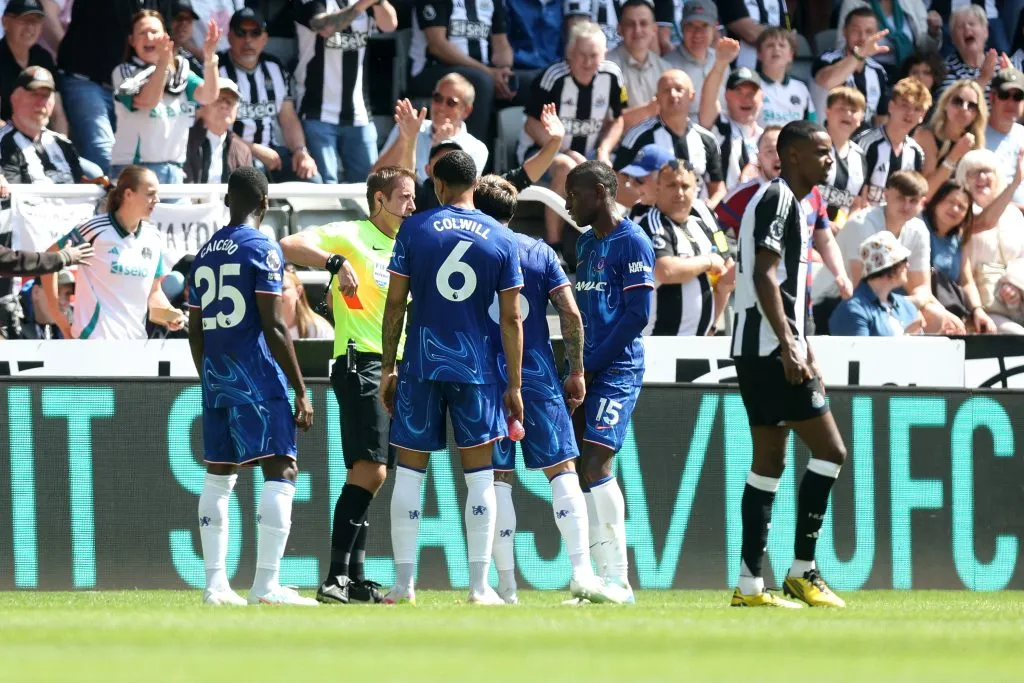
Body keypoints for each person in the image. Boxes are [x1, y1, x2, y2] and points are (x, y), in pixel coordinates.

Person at [379, 150, 525, 606]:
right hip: (476, 368)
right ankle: (479, 587)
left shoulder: (414, 228)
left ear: (438, 185)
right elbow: (511, 319)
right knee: (480, 476)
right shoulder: (501, 237)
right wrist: (515, 384)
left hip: (421, 364)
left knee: (409, 472)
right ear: (475, 184)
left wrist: (388, 366)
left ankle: (403, 585)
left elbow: (395, 304)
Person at [473, 174, 625, 605]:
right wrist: (576, 370)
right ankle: (582, 572)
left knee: (497, 479)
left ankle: (506, 588)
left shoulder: (470, 251)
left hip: (486, 377)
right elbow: (570, 313)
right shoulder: (538, 251)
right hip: (537, 374)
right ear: (513, 211)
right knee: (562, 471)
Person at [279, 166, 417, 605]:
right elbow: (288, 243)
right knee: (371, 469)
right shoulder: (352, 234)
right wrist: (334, 263)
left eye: (413, 197)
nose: (412, 205)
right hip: (361, 362)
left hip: (395, 367)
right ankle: (335, 577)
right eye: (404, 197)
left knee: (371, 472)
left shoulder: (407, 246)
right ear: (379, 199)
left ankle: (353, 579)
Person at [729, 120, 848, 609]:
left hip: (756, 348)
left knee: (769, 462)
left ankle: (749, 585)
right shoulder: (779, 198)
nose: (829, 159)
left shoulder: (791, 202)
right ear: (792, 156)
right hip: (769, 349)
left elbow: (778, 283)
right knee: (831, 451)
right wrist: (788, 343)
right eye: (820, 152)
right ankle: (802, 570)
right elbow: (764, 273)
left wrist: (801, 339)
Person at [186, 167, 318, 607]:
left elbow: (195, 330)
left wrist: (209, 375)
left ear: (228, 201)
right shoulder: (262, 248)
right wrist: (301, 389)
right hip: (257, 374)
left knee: (218, 477)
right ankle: (266, 584)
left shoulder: (204, 254)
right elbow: (275, 325)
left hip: (216, 376)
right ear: (265, 202)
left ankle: (215, 586)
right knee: (281, 469)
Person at [565, 160, 655, 603]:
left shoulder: (633, 241)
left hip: (616, 369)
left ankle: (620, 579)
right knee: (584, 469)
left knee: (597, 464)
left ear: (600, 192)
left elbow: (638, 315)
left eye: (574, 195)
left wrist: (592, 363)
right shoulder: (584, 243)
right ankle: (597, 582)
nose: (568, 205)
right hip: (587, 368)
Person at [39, 165, 183, 340]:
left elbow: (154, 294)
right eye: (150, 194)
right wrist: (57, 314)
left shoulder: (153, 237)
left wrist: (171, 316)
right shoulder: (95, 230)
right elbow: (49, 259)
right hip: (92, 342)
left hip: (134, 344)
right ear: (128, 194)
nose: (157, 200)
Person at [812, 170, 965, 334]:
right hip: (832, 302)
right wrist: (901, 311)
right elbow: (860, 291)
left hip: (879, 301)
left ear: (922, 202)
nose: (906, 206)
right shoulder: (861, 225)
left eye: (913, 200)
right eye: (901, 198)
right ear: (886, 194)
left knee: (934, 316)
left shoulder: (919, 229)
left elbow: (922, 289)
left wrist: (915, 309)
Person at [518, 20, 626, 246]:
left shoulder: (613, 76)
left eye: (594, 55)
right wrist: (564, 150)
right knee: (567, 167)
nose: (587, 62)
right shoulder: (553, 78)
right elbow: (531, 125)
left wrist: (604, 150)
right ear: (569, 54)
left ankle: (608, 244)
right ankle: (554, 245)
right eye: (581, 55)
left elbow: (618, 120)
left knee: (616, 170)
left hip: (589, 153)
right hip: (542, 152)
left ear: (604, 54)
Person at [111, 10, 222, 183]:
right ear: (131, 40)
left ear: (165, 37)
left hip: (175, 170)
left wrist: (210, 58)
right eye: (142, 32)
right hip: (136, 170)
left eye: (154, 32)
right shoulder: (124, 73)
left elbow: (208, 96)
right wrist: (163, 63)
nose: (149, 37)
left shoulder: (180, 71)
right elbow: (148, 101)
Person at [293, 0, 397, 184]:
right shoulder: (313, 2)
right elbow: (325, 27)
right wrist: (363, 4)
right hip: (316, 112)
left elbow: (390, 25)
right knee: (326, 189)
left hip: (359, 115)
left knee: (369, 186)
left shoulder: (366, 4)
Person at [218, 7, 319, 182]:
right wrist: (254, 150)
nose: (248, 40)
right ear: (230, 37)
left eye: (255, 33)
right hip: (229, 154)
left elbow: (288, 118)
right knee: (253, 181)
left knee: (312, 178)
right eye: (241, 33)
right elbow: (213, 126)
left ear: (264, 39)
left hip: (273, 153)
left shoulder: (275, 68)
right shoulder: (217, 70)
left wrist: (300, 151)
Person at [636, 159, 735, 336]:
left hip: (698, 343)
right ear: (658, 190)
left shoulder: (704, 222)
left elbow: (724, 276)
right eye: (672, 186)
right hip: (660, 342)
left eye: (685, 186)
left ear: (695, 190)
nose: (679, 192)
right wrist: (708, 261)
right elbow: (665, 270)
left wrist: (712, 326)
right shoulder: (650, 224)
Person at [407, 0, 514, 144]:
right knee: (481, 82)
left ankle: (525, 151)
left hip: (482, 73)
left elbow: (501, 44)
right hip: (432, 70)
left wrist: (504, 73)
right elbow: (437, 46)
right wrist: (489, 72)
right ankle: (470, 154)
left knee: (523, 84)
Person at [615, 69, 725, 207]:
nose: (673, 94)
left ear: (691, 96)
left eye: (679, 89)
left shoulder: (707, 139)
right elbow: (617, 184)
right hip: (652, 215)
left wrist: (707, 208)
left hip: (695, 216)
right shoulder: (638, 136)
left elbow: (718, 187)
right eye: (666, 90)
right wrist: (646, 206)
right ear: (657, 97)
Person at [376, 73, 489, 185]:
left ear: (466, 111)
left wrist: (444, 148)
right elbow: (376, 176)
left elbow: (457, 193)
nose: (441, 107)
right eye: (437, 98)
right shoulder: (409, 126)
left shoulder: (477, 149)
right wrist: (405, 138)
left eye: (451, 103)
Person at [956, 148, 1024, 333]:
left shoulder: (1013, 214)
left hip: (1017, 301)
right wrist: (977, 309)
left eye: (987, 171)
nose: (981, 177)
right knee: (1017, 336)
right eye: (973, 173)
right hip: (983, 308)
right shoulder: (961, 214)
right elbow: (965, 277)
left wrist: (1015, 285)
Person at [922, 180, 997, 333]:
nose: (955, 209)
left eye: (962, 207)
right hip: (924, 307)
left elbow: (966, 281)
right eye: (950, 202)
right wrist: (943, 315)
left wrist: (977, 310)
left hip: (949, 307)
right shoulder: (919, 228)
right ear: (937, 201)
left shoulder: (960, 239)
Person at [0, 66, 87, 199]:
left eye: (46, 96)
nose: (41, 102)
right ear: (15, 98)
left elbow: (82, 188)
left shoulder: (64, 145)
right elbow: (10, 201)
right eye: (34, 94)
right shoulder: (4, 143)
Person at [830, 231, 925, 335]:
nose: (908, 265)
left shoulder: (906, 306)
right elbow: (858, 346)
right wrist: (905, 336)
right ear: (890, 267)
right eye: (904, 260)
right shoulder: (853, 310)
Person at [854, 76, 930, 205]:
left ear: (922, 115)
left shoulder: (916, 153)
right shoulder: (866, 143)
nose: (910, 113)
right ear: (891, 106)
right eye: (904, 105)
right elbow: (855, 192)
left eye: (917, 109)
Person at [811, 8, 891, 125]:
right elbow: (827, 81)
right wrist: (860, 54)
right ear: (844, 31)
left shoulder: (878, 71)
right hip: (825, 134)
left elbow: (881, 118)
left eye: (869, 32)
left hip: (864, 136)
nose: (862, 37)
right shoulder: (827, 59)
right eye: (856, 31)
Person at [0, 0, 66, 132]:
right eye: (24, 20)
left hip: (38, 137)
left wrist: (61, 141)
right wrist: (18, 140)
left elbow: (57, 115)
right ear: (5, 22)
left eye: (36, 21)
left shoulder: (43, 58)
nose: (30, 27)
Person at [835, 0, 942, 80]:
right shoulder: (853, 2)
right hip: (867, 71)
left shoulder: (912, 2)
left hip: (909, 71)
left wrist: (933, 32)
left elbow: (925, 49)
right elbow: (843, 46)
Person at [914, 79, 987, 196]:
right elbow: (925, 194)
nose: (964, 108)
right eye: (957, 101)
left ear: (977, 114)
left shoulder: (976, 144)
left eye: (972, 105)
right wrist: (954, 156)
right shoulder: (926, 136)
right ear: (945, 105)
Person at [698, 63, 764, 189]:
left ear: (761, 96)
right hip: (720, 200)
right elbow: (708, 97)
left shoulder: (766, 137)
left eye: (751, 93)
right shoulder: (718, 124)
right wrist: (721, 62)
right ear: (726, 95)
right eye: (739, 92)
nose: (745, 99)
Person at [606, 0, 669, 130]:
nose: (637, 30)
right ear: (619, 29)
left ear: (654, 29)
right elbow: (606, 124)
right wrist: (648, 110)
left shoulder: (666, 69)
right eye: (630, 24)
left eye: (643, 23)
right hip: (620, 142)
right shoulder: (605, 68)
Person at [714, 124, 782, 236]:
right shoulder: (740, 196)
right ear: (758, 158)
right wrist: (731, 247)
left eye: (783, 149)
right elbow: (715, 232)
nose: (778, 157)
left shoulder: (808, 192)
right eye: (770, 151)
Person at [184, 77, 253, 183]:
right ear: (202, 107)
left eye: (230, 101)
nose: (224, 105)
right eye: (218, 99)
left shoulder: (242, 150)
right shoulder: (184, 142)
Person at [665, 0, 724, 119]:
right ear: (682, 28)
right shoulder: (667, 66)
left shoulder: (721, 59)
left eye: (704, 26)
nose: (697, 34)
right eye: (691, 26)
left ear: (714, 28)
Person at [819, 87, 869, 222]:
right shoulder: (811, 145)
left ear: (861, 118)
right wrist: (824, 224)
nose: (847, 114)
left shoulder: (860, 156)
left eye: (853, 110)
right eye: (841, 109)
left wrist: (846, 227)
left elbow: (858, 202)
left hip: (841, 231)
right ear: (827, 112)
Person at [753, 27, 814, 127]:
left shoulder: (801, 88)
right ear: (759, 54)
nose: (776, 49)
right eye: (770, 45)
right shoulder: (751, 84)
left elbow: (812, 126)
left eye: (782, 45)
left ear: (791, 55)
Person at [984, 68, 1024, 209]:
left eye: (1018, 96)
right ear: (992, 97)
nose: (1011, 103)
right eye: (1004, 95)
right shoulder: (975, 135)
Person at [939, 5, 1001, 94]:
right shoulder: (945, 70)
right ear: (953, 38)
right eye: (960, 26)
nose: (967, 28)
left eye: (972, 24)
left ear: (986, 32)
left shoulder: (1000, 63)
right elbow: (955, 101)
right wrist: (984, 77)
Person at [718, 0, 790, 70]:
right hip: (738, 71)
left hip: (772, 72)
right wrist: (779, 37)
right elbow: (750, 33)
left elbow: (788, 35)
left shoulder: (781, 1)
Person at [617, 142, 673, 215]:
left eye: (639, 179)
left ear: (663, 181)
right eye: (631, 177)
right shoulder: (638, 209)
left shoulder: (676, 217)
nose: (631, 184)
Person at [281, 269, 333, 340]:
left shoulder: (319, 329)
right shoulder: (265, 328)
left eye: (283, 289)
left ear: (298, 292)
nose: (277, 293)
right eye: (272, 289)